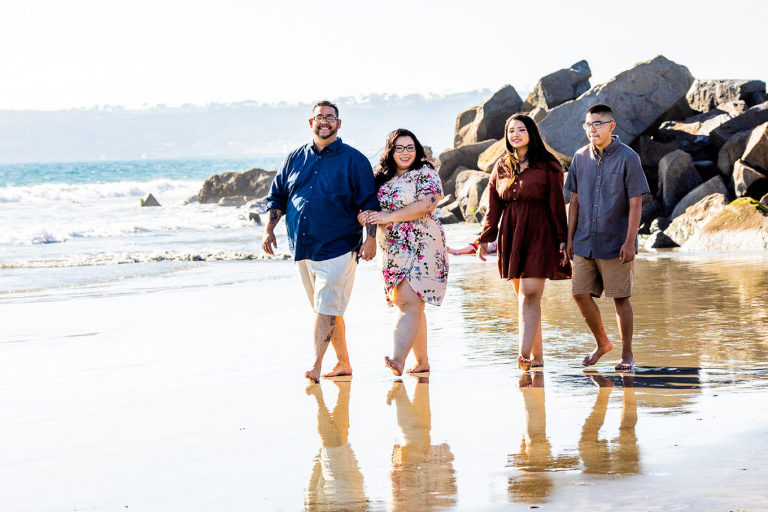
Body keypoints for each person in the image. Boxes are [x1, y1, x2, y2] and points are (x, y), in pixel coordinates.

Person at [262, 100, 380, 383]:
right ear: (310, 122)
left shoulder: (355, 160)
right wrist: (269, 230)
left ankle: (315, 365)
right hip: (303, 247)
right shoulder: (294, 158)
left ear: (338, 124)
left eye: (330, 117)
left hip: (339, 246)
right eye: (319, 117)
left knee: (326, 307)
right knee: (328, 309)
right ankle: (342, 363)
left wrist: (371, 240)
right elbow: (277, 195)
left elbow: (369, 203)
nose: (324, 121)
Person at [475, 113, 570, 371]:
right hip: (512, 231)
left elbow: (557, 203)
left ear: (531, 133)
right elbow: (494, 206)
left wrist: (563, 239)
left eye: (520, 130)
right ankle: (537, 358)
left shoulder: (549, 165)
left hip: (541, 230)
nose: (515, 135)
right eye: (510, 131)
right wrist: (485, 238)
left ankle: (523, 354)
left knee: (529, 294)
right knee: (524, 297)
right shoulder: (502, 165)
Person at [565, 103, 649, 372]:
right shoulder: (579, 157)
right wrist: (568, 239)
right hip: (584, 241)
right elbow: (574, 202)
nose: (593, 129)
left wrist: (629, 241)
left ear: (612, 126)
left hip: (616, 242)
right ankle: (602, 343)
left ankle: (627, 354)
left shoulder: (629, 157)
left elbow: (636, 203)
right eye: (589, 124)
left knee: (620, 297)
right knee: (579, 293)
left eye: (598, 124)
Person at [360, 129, 448, 376]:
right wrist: (366, 224)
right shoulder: (379, 177)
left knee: (408, 302)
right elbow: (366, 208)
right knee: (412, 305)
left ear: (417, 149)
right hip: (391, 247)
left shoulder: (425, 173)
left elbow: (427, 204)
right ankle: (422, 363)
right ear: (391, 151)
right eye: (399, 147)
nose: (405, 152)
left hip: (423, 245)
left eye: (410, 147)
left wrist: (388, 216)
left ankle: (398, 359)